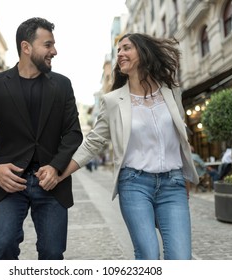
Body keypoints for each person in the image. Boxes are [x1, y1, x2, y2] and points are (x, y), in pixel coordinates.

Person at [39, 33, 199, 260]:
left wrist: (184, 175)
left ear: (143, 52)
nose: (121, 54)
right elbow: (94, 142)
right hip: (135, 185)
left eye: (127, 48)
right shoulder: (113, 101)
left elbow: (180, 135)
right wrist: (59, 171)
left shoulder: (171, 92)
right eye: (118, 51)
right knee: (148, 254)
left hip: (172, 185)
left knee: (181, 258)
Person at [0, 17, 83, 260]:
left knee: (52, 254)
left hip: (51, 183)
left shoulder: (62, 85)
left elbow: (73, 133)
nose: (54, 51)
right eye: (48, 45)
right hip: (7, 184)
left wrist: (56, 166)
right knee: (3, 247)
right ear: (26, 47)